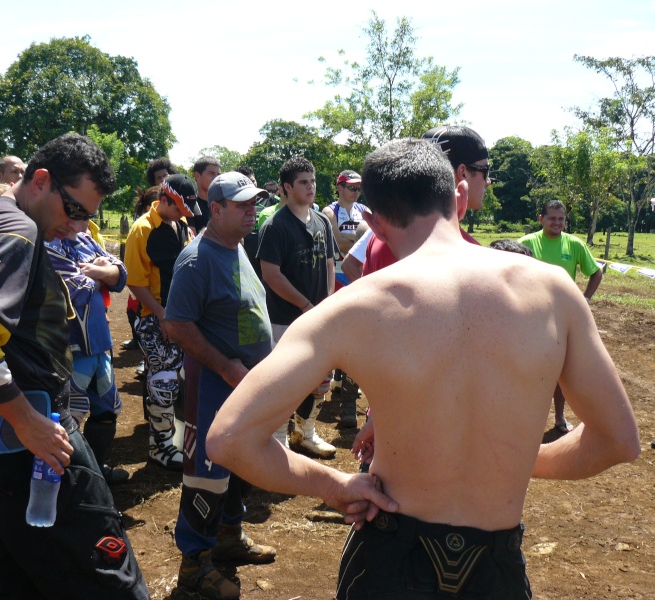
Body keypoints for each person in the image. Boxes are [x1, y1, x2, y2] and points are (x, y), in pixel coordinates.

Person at [206, 139, 640, 599]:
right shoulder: (554, 292)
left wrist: (334, 486)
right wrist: (516, 459)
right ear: (458, 191)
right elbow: (617, 440)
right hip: (495, 567)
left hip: (388, 559)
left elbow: (229, 438)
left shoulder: (353, 308)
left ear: (371, 222)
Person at [0, 134, 149, 598]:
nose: (77, 228)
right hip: (33, 440)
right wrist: (26, 420)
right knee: (112, 580)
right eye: (74, 212)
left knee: (13, 578)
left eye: (88, 218)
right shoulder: (18, 228)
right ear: (42, 181)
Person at [164, 172, 276, 600]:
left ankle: (230, 536)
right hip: (213, 386)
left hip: (246, 384)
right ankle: (194, 565)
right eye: (242, 205)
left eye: (254, 204)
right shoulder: (197, 259)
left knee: (241, 462)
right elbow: (176, 324)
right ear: (216, 209)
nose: (252, 212)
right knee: (205, 474)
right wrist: (227, 365)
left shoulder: (239, 246)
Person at [257, 156, 338, 458]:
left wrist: (327, 301)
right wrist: (306, 305)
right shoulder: (275, 226)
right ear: (286, 187)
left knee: (322, 378)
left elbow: (330, 263)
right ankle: (277, 440)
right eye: (303, 182)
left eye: (313, 181)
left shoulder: (321, 222)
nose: (311, 187)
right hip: (284, 319)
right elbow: (271, 275)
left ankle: (306, 432)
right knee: (283, 379)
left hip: (318, 316)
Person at [45, 220, 130, 484]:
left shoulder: (85, 239)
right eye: (80, 212)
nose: (85, 221)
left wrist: (99, 272)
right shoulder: (47, 243)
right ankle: (67, 476)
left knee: (106, 408)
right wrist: (103, 272)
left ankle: (96, 470)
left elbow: (121, 275)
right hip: (68, 348)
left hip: (99, 343)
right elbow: (73, 289)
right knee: (69, 415)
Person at [124, 174, 197, 470]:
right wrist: (162, 314)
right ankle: (160, 446)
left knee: (180, 380)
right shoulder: (142, 230)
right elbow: (134, 282)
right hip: (155, 319)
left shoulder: (180, 227)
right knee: (162, 381)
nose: (183, 214)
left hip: (180, 319)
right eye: (179, 208)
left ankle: (174, 439)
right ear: (164, 200)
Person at [361, 125, 491, 276]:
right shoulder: (474, 256)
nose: (488, 181)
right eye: (485, 170)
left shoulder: (380, 235)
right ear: (462, 172)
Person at [519, 200, 603, 433]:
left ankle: (559, 419)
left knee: (560, 373)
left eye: (561, 219)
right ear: (541, 219)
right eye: (552, 218)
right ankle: (527, 422)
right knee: (530, 370)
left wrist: (584, 299)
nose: (557, 223)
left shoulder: (574, 245)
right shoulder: (527, 243)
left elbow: (595, 273)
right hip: (530, 318)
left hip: (562, 320)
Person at [323, 169, 368, 426]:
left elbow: (361, 240)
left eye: (358, 187)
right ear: (339, 187)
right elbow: (341, 245)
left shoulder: (363, 209)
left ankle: (345, 383)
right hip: (338, 277)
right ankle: (336, 378)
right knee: (339, 330)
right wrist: (358, 239)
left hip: (357, 275)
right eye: (350, 187)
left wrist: (355, 240)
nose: (355, 191)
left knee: (354, 332)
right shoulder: (330, 211)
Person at [190, 156, 221, 232]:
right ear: (197, 175)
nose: (216, 178)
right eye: (211, 174)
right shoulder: (190, 206)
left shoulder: (224, 204)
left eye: (218, 174)